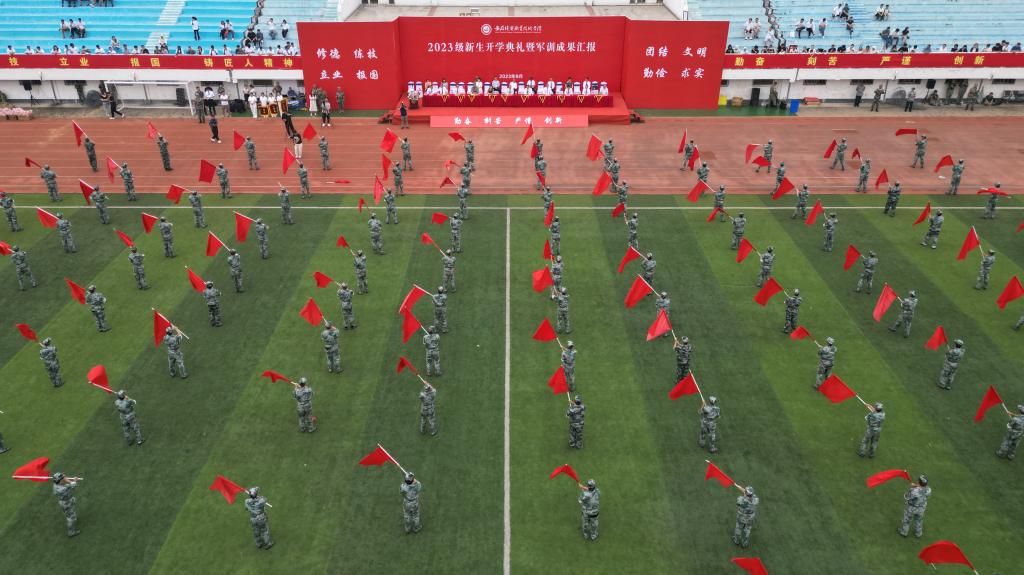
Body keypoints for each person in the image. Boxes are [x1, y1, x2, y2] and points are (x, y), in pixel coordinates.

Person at [52, 472, 81, 537]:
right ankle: (71, 532)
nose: (64, 478)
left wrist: (63, 477)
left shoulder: (55, 485)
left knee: (70, 513)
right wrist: (74, 480)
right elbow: (73, 485)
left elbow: (63, 481)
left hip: (65, 501)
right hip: (66, 503)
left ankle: (72, 518)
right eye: (63, 478)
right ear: (60, 480)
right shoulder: (62, 489)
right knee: (71, 518)